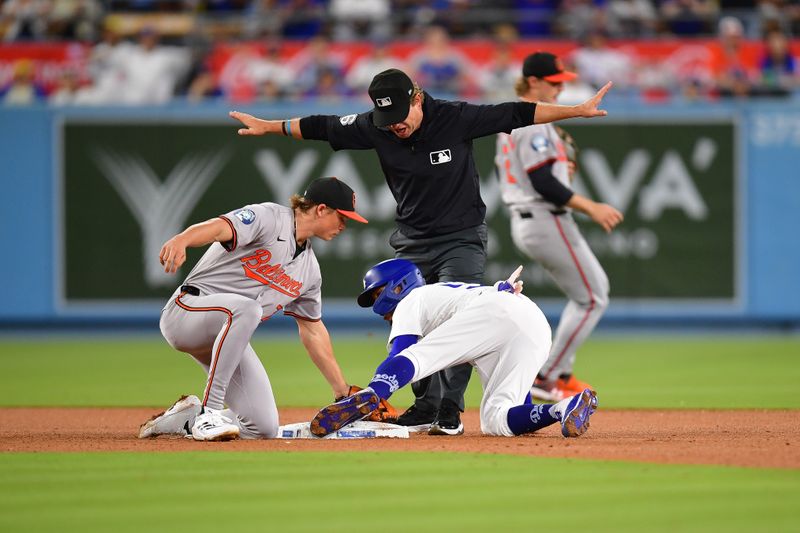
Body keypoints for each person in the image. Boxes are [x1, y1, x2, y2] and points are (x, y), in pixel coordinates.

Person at [229, 67, 612, 436]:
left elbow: (517, 112)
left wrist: (576, 110)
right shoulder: (376, 125)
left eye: (400, 114)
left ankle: (450, 410)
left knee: (458, 320)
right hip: (412, 238)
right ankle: (425, 405)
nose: (395, 123)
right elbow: (321, 126)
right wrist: (270, 126)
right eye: (386, 116)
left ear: (418, 98)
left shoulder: (454, 117)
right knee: (409, 319)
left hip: (461, 236)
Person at [138, 177, 367, 441]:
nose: (344, 225)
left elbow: (313, 330)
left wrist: (342, 391)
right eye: (342, 217)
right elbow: (218, 228)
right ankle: (209, 412)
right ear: (321, 209)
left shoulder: (310, 272)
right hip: (186, 313)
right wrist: (183, 239)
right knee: (248, 310)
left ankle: (186, 418)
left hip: (229, 336)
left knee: (263, 428)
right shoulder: (269, 217)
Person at [308, 258, 598, 439]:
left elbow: (402, 354)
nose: (375, 305)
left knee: (417, 357)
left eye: (376, 293)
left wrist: (379, 392)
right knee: (498, 418)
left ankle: (370, 394)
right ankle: (564, 408)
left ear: (397, 287)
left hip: (495, 314)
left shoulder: (413, 299)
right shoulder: (443, 297)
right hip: (534, 324)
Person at [494, 52, 623, 402]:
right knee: (593, 295)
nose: (560, 87)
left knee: (589, 295)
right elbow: (543, 183)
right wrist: (590, 206)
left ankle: (559, 373)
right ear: (533, 81)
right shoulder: (533, 120)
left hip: (531, 217)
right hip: (543, 215)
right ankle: (549, 375)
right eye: (554, 82)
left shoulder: (512, 118)